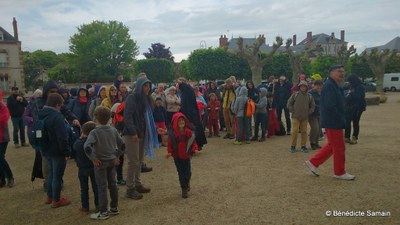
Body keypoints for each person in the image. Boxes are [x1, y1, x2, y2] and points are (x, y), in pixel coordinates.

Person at [305, 65, 356, 180]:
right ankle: (339, 172)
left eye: (343, 71)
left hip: (333, 120)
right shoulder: (329, 86)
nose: (342, 73)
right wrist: (340, 116)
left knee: (332, 145)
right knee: (339, 147)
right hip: (333, 121)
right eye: (339, 71)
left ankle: (313, 163)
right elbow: (330, 105)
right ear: (331, 73)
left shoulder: (333, 85)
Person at [84, 106, 125, 220]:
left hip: (100, 163)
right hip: (112, 161)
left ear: (96, 118)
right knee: (113, 185)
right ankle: (114, 207)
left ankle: (103, 212)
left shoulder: (94, 132)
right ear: (109, 118)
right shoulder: (113, 130)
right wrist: (117, 156)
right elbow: (122, 145)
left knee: (102, 187)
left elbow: (87, 146)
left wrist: (93, 158)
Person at [123, 74, 157, 200]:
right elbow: (128, 116)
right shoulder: (132, 98)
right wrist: (133, 133)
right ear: (139, 86)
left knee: (139, 161)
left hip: (142, 133)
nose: (147, 88)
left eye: (148, 86)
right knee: (133, 162)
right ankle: (130, 188)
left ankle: (138, 184)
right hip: (132, 135)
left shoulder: (146, 99)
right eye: (145, 86)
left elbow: (147, 118)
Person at [41, 93, 71, 208]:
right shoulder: (57, 117)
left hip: (46, 149)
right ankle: (56, 199)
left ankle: (50, 196)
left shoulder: (41, 113)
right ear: (57, 104)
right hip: (57, 150)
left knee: (51, 174)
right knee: (57, 176)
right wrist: (66, 152)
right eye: (61, 105)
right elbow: (62, 138)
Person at [165, 112, 199, 198]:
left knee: (188, 173)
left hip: (186, 156)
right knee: (181, 173)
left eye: (182, 120)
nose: (181, 122)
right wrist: (169, 152)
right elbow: (169, 145)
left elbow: (193, 142)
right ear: (175, 122)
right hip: (177, 157)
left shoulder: (188, 132)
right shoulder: (172, 135)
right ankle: (184, 188)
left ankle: (187, 182)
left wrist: (194, 148)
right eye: (179, 120)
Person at [71, 121, 99, 214]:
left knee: (84, 188)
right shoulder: (94, 143)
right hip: (93, 167)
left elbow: (74, 149)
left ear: (83, 131)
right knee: (96, 187)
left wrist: (80, 137)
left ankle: (85, 207)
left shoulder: (78, 143)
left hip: (82, 168)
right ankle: (98, 205)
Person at [177, 81, 207, 150]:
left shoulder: (187, 92)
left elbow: (184, 104)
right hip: (190, 113)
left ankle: (195, 145)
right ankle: (195, 145)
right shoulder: (186, 92)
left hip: (190, 114)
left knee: (193, 130)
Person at [287, 81, 315, 153]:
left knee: (304, 131)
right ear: (299, 87)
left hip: (305, 117)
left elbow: (313, 106)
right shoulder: (295, 94)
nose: (303, 87)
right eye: (302, 86)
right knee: (295, 131)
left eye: (304, 86)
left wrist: (310, 112)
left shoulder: (309, 96)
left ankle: (303, 146)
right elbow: (289, 103)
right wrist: (292, 110)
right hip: (295, 116)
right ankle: (293, 146)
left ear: (307, 87)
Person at [344, 75, 366, 144]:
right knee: (347, 122)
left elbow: (359, 96)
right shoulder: (351, 85)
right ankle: (347, 137)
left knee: (355, 122)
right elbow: (344, 88)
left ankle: (354, 137)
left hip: (358, 107)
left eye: (350, 81)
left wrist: (351, 93)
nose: (349, 82)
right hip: (350, 106)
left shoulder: (360, 87)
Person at [0, 89, 14, 188]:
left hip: (2, 137)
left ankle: (10, 177)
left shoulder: (3, 107)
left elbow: (3, 120)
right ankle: (2, 179)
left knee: (0, 158)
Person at [308, 80, 323, 150]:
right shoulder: (310, 93)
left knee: (319, 129)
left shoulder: (322, 93)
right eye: (317, 85)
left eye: (320, 85)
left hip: (320, 113)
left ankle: (316, 143)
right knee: (315, 128)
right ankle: (312, 142)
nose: (319, 87)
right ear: (314, 85)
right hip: (312, 114)